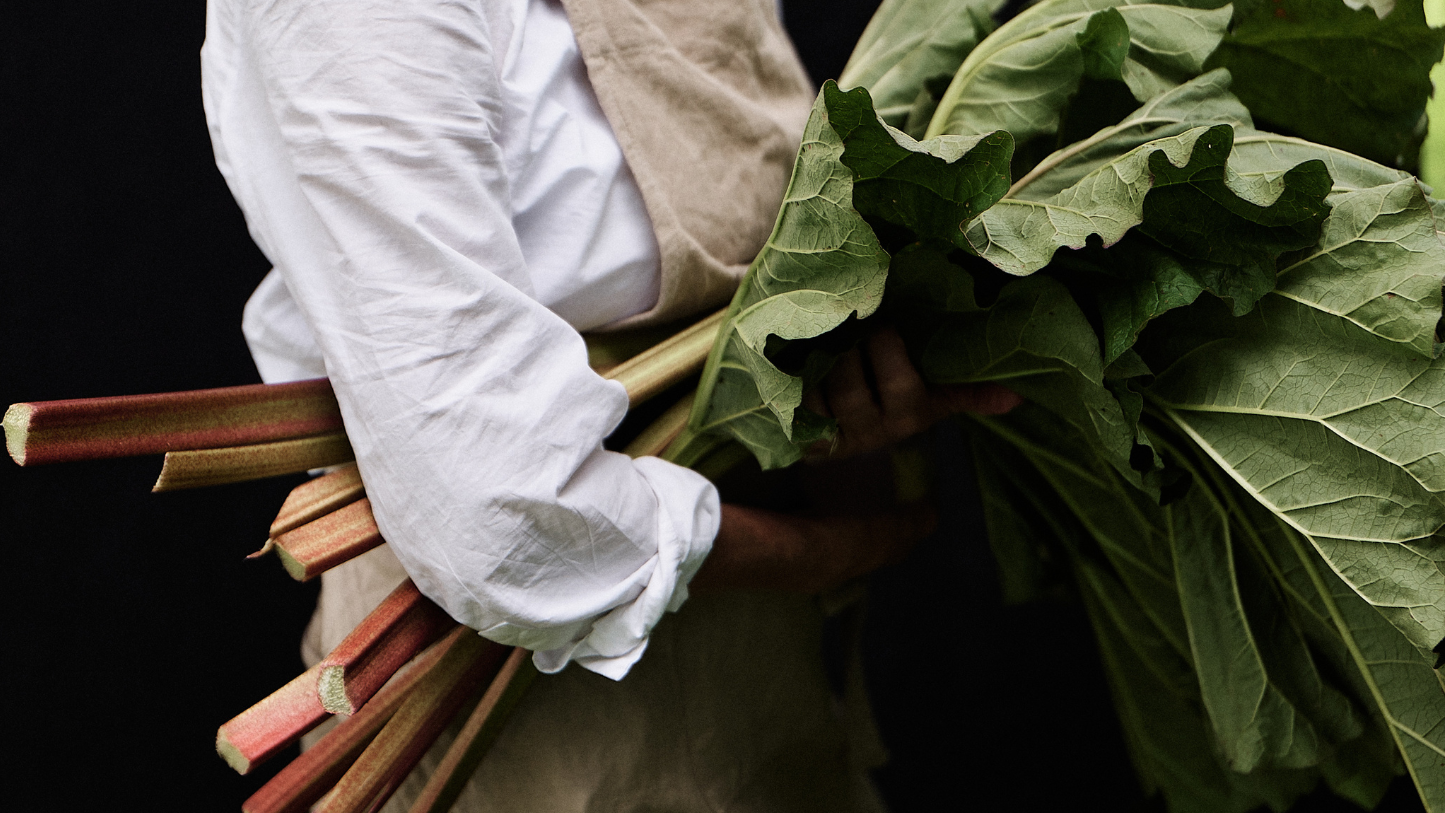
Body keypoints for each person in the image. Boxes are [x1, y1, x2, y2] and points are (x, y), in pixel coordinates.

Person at [200, 0, 1017, 808]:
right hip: (525, 721)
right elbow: (500, 516)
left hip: (768, 675)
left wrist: (838, 407)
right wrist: (820, 554)